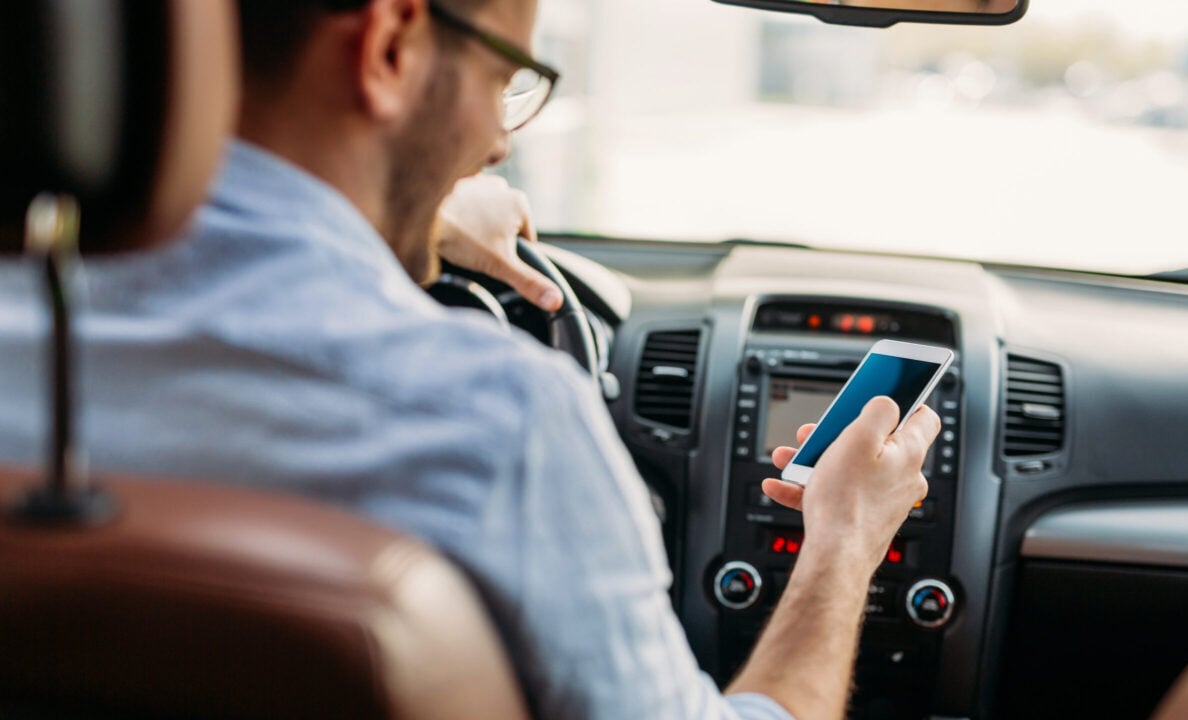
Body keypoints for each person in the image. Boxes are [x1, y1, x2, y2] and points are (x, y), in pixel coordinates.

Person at [0, 0, 939, 718]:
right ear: (390, 47)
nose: (497, 142)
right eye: (506, 82)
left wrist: (411, 209)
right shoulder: (497, 420)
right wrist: (846, 537)